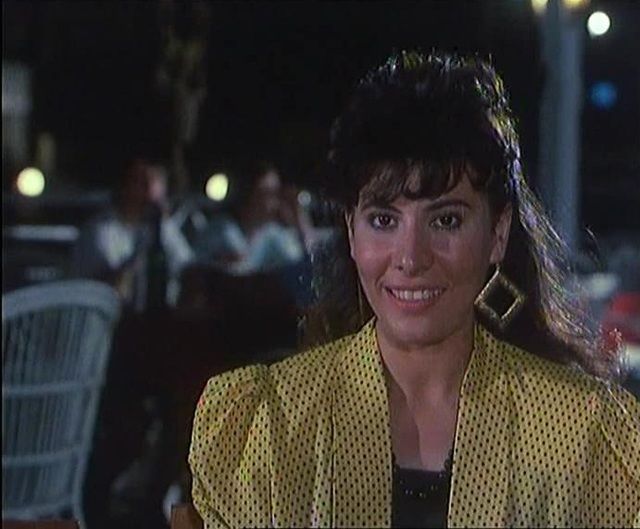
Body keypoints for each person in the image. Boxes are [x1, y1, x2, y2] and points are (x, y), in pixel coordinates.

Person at [188, 51, 640, 528]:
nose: (410, 257)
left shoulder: (583, 432)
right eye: (384, 220)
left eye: (445, 221)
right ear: (351, 230)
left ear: (498, 232)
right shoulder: (267, 425)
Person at [70, 157, 194, 310]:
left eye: (156, 181)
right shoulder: (100, 231)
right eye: (141, 181)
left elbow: (188, 269)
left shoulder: (165, 228)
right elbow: (114, 289)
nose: (150, 189)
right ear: (124, 186)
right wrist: (143, 248)